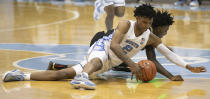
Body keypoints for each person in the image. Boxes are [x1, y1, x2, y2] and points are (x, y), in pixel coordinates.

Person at [3, 4, 206, 90]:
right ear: (137, 18)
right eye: (143, 21)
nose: (145, 25)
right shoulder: (125, 24)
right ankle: (82, 79)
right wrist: (132, 65)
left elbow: (168, 53)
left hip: (110, 62)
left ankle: (19, 75)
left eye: (148, 22)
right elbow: (115, 46)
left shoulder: (149, 37)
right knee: (98, 60)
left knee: (63, 74)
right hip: (103, 48)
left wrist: (188, 68)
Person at [47, 10, 184, 81]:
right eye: (165, 30)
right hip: (102, 42)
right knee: (124, 66)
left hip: (105, 40)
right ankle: (68, 72)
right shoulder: (146, 32)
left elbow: (154, 54)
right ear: (156, 27)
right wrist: (170, 76)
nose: (165, 33)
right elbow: (152, 60)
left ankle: (59, 66)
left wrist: (163, 49)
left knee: (113, 66)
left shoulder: (148, 32)